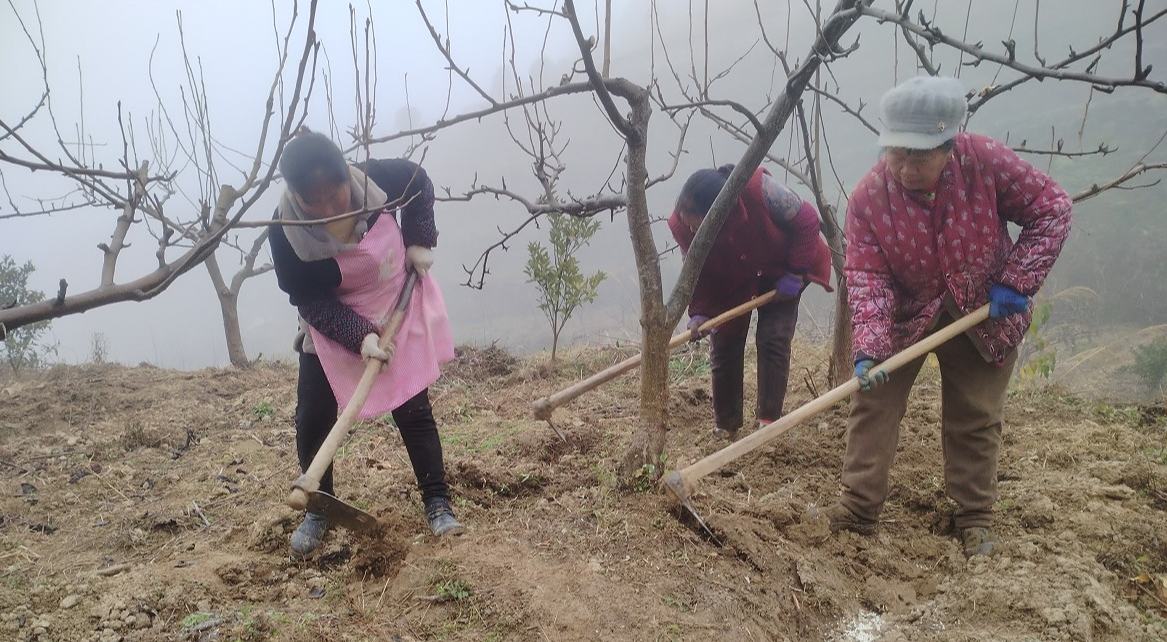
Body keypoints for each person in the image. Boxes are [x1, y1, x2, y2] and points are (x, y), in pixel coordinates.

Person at [822, 76, 1072, 557]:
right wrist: (870, 347)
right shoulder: (870, 198)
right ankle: (858, 508)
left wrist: (1017, 279)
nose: (905, 166)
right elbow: (867, 275)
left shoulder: (984, 162)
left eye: (920, 155)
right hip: (905, 314)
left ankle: (973, 516)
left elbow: (1052, 209)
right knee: (873, 404)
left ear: (948, 144)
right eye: (896, 152)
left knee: (975, 413)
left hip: (983, 308)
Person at [269, 131, 463, 558]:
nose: (326, 207)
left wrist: (418, 240)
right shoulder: (286, 234)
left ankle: (437, 500)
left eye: (333, 193)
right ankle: (319, 508)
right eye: (311, 199)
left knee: (413, 406)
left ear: (347, 176)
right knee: (313, 414)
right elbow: (309, 299)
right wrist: (360, 336)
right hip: (331, 320)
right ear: (295, 195)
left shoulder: (378, 181)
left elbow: (420, 183)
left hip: (393, 298)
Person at [667, 164, 833, 440]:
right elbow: (695, 269)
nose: (690, 227)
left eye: (695, 221)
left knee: (773, 338)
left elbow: (807, 221)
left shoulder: (760, 190)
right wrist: (700, 312)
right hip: (732, 276)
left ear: (718, 213)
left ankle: (768, 423)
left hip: (782, 266)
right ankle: (726, 426)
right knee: (724, 341)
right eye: (686, 220)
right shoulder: (681, 226)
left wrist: (794, 272)